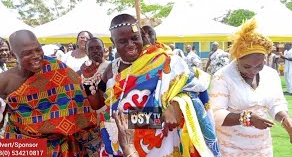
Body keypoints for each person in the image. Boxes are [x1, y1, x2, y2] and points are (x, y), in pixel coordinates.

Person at [85, 14, 220, 157]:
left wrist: (176, 105)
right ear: (113, 42)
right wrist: (88, 80)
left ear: (141, 35)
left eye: (134, 38)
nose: (130, 44)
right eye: (123, 41)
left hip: (157, 146)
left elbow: (195, 86)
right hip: (117, 143)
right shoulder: (111, 69)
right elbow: (98, 103)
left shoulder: (164, 61)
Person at [0, 30, 98, 156]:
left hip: (59, 144)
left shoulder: (57, 68)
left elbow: (79, 102)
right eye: (27, 53)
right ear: (13, 55)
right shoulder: (2, 81)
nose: (36, 56)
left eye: (38, 49)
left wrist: (62, 127)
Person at [209, 20, 292, 157]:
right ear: (237, 59)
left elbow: (275, 103)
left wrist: (285, 118)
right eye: (246, 66)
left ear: (265, 59)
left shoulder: (271, 74)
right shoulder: (222, 77)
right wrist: (247, 118)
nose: (253, 71)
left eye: (259, 66)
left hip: (261, 147)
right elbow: (216, 115)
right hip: (231, 148)